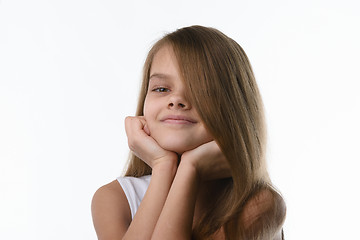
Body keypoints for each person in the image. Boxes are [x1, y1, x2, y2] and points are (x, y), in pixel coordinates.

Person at [91, 25, 286, 240]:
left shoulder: (259, 204)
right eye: (162, 89)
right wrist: (163, 166)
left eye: (201, 90)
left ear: (234, 109)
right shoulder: (114, 198)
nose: (176, 100)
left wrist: (189, 169)